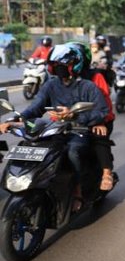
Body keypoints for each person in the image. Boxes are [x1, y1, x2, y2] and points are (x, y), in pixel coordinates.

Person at [0, 43, 109, 209]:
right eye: (56, 65)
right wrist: (15, 120)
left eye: (63, 65)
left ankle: (78, 191)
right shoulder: (51, 85)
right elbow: (35, 107)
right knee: (33, 147)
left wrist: (74, 115)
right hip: (54, 130)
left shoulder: (87, 86)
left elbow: (102, 111)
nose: (59, 69)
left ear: (74, 65)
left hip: (78, 130)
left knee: (73, 152)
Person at [69, 41, 116, 191]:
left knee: (98, 138)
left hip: (100, 118)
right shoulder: (64, 79)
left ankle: (106, 173)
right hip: (74, 120)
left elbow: (104, 101)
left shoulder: (95, 77)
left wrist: (99, 120)